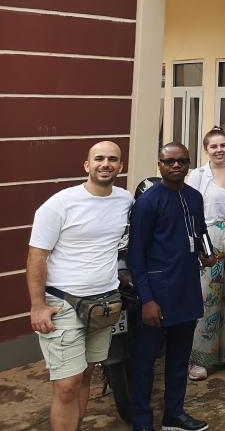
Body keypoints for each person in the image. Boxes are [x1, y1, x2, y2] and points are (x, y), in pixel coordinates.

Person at [27, 141, 133, 431]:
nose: (106, 164)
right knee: (66, 383)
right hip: (63, 303)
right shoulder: (60, 204)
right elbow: (37, 257)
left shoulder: (124, 201)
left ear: (120, 166)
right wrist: (38, 306)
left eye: (113, 159)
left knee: (85, 374)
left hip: (104, 304)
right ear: (87, 165)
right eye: (99, 158)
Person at [128, 143, 212, 431]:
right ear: (159, 165)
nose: (176, 166)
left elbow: (199, 235)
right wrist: (147, 299)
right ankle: (142, 420)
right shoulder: (148, 202)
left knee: (179, 360)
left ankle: (173, 415)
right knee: (145, 362)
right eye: (169, 161)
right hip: (158, 294)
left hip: (187, 291)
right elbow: (136, 254)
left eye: (182, 161)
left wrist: (207, 254)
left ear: (189, 164)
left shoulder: (195, 197)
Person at [186, 127, 225, 380]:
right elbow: (190, 212)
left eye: (223, 145)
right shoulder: (197, 175)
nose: (219, 150)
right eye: (213, 146)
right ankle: (201, 358)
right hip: (209, 239)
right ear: (206, 149)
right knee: (208, 298)